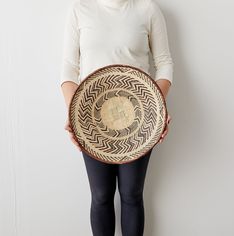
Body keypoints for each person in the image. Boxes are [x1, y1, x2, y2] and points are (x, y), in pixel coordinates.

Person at [60, 0, 173, 235]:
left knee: (132, 193)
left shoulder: (148, 9)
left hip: (139, 120)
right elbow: (69, 68)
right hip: (91, 119)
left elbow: (164, 63)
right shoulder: (79, 9)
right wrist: (74, 114)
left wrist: (156, 107)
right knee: (101, 195)